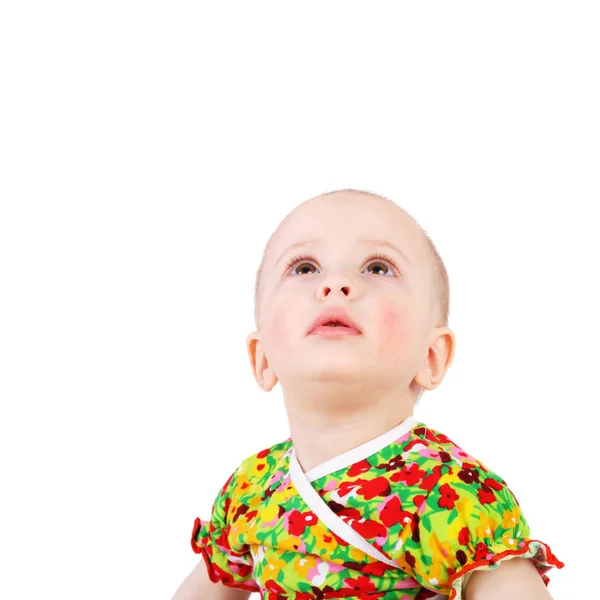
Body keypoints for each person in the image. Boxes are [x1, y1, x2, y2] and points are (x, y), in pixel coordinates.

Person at [171, 189, 564, 600]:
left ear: (431, 357)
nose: (335, 284)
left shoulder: (452, 494)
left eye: (377, 267)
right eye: (304, 268)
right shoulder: (253, 488)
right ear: (262, 358)